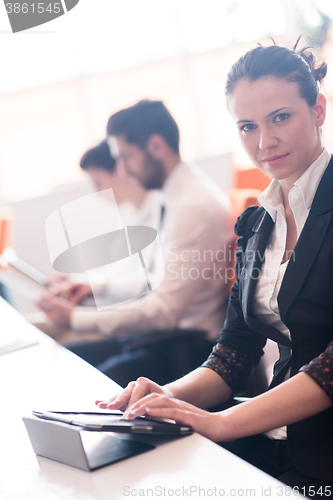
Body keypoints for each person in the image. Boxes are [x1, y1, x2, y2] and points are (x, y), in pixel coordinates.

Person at [96, 42, 333, 492]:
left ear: (318, 109)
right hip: (275, 436)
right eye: (248, 126)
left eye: (280, 117)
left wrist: (223, 422)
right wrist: (170, 394)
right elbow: (235, 351)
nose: (264, 142)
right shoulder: (258, 223)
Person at [39, 100, 234, 384]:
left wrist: (74, 319)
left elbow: (164, 311)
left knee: (66, 380)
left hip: (185, 350)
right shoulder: (175, 196)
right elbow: (152, 280)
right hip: (162, 339)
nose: (122, 170)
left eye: (126, 157)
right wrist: (96, 288)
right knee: (61, 362)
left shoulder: (192, 206)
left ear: (156, 146)